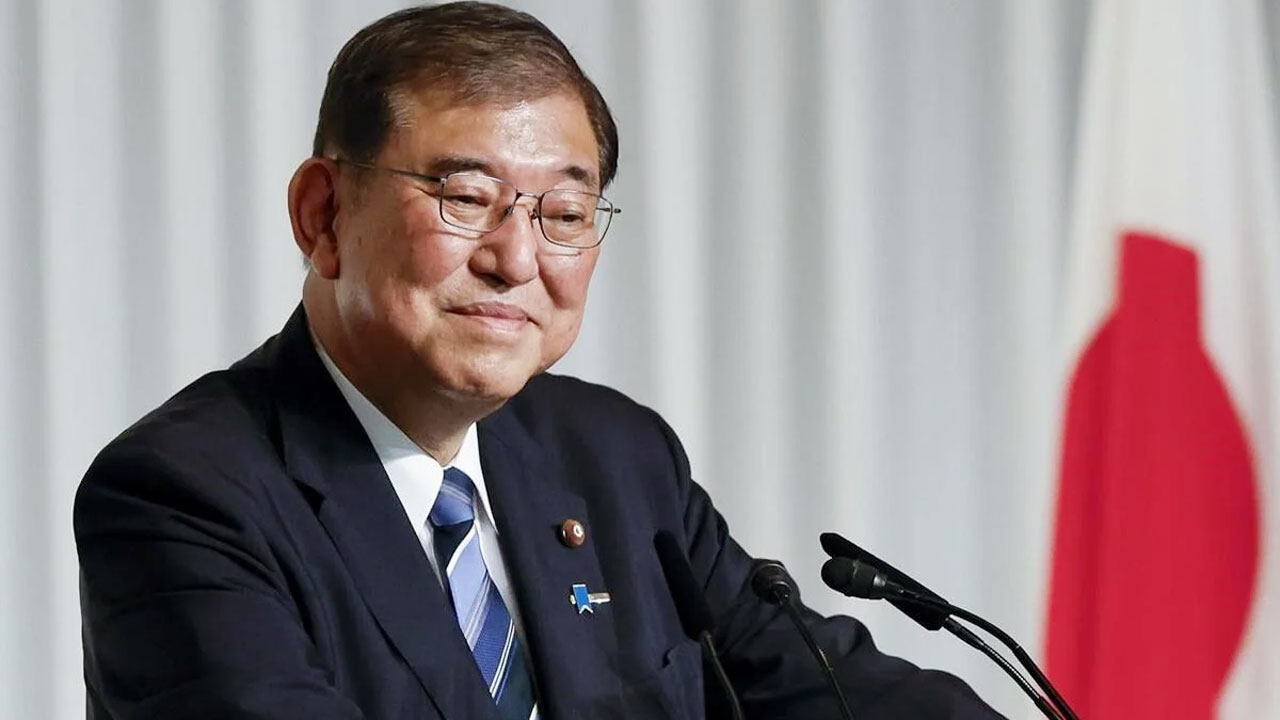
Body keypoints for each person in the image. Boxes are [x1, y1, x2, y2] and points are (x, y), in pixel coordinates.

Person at [74, 3, 1004, 719]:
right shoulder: (182, 494)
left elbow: (824, 690)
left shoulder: (615, 457)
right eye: (465, 197)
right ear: (324, 216)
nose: (516, 259)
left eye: (564, 214)